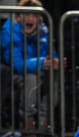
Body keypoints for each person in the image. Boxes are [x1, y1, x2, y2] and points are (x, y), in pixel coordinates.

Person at [0, 0, 60, 129]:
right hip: (12, 75)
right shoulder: (9, 31)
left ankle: (45, 121)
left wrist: (55, 62)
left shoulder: (44, 31)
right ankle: (27, 121)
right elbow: (18, 65)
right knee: (31, 78)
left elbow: (51, 54)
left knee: (54, 75)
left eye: (34, 15)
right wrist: (42, 63)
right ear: (19, 16)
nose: (30, 18)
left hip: (38, 71)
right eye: (26, 14)